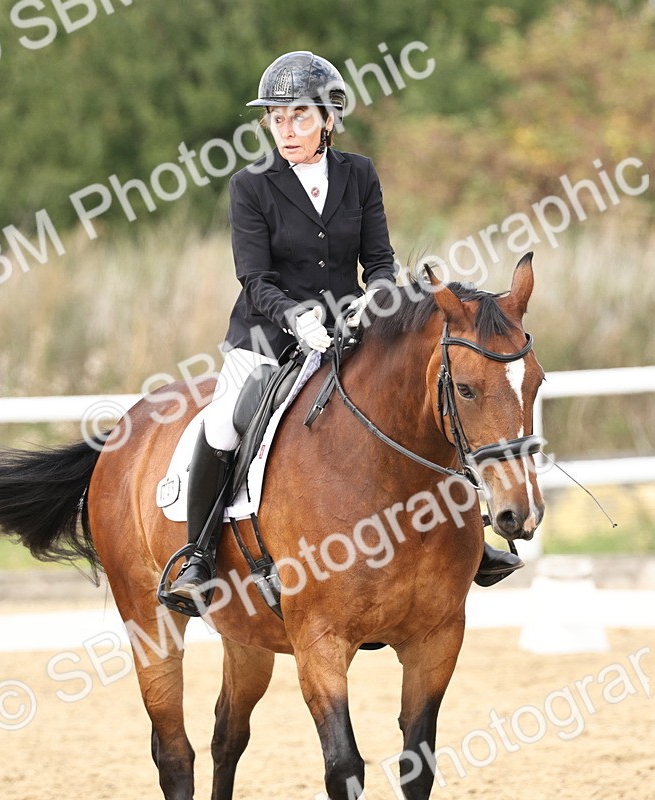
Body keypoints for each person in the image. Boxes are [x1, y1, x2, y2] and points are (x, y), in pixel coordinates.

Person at [165, 51, 522, 605]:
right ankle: (199, 557)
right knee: (223, 428)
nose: (285, 129)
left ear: (328, 118)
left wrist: (376, 296)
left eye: (299, 117)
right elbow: (253, 276)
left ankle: (471, 532)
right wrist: (294, 317)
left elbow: (379, 259)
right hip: (266, 334)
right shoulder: (251, 186)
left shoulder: (359, 174)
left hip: (352, 330)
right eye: (276, 118)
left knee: (424, 400)